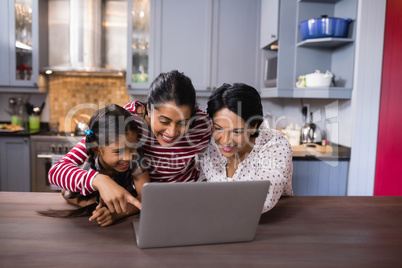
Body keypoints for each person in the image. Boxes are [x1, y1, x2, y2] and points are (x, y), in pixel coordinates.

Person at [48, 70, 212, 214]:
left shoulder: (203, 125)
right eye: (164, 121)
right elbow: (56, 172)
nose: (172, 132)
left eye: (182, 123)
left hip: (188, 202)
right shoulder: (127, 123)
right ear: (148, 109)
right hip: (144, 205)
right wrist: (98, 180)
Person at [40, 104, 149, 226]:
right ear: (97, 149)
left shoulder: (135, 155)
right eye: (118, 151)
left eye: (133, 148)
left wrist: (115, 213)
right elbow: (56, 175)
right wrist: (99, 181)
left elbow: (145, 197)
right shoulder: (89, 156)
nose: (128, 157)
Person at [199, 83, 293, 213]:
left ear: (253, 126)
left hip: (266, 223)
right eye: (218, 128)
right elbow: (201, 186)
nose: (225, 141)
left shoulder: (275, 144)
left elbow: (261, 199)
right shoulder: (209, 143)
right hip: (215, 222)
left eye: (237, 132)